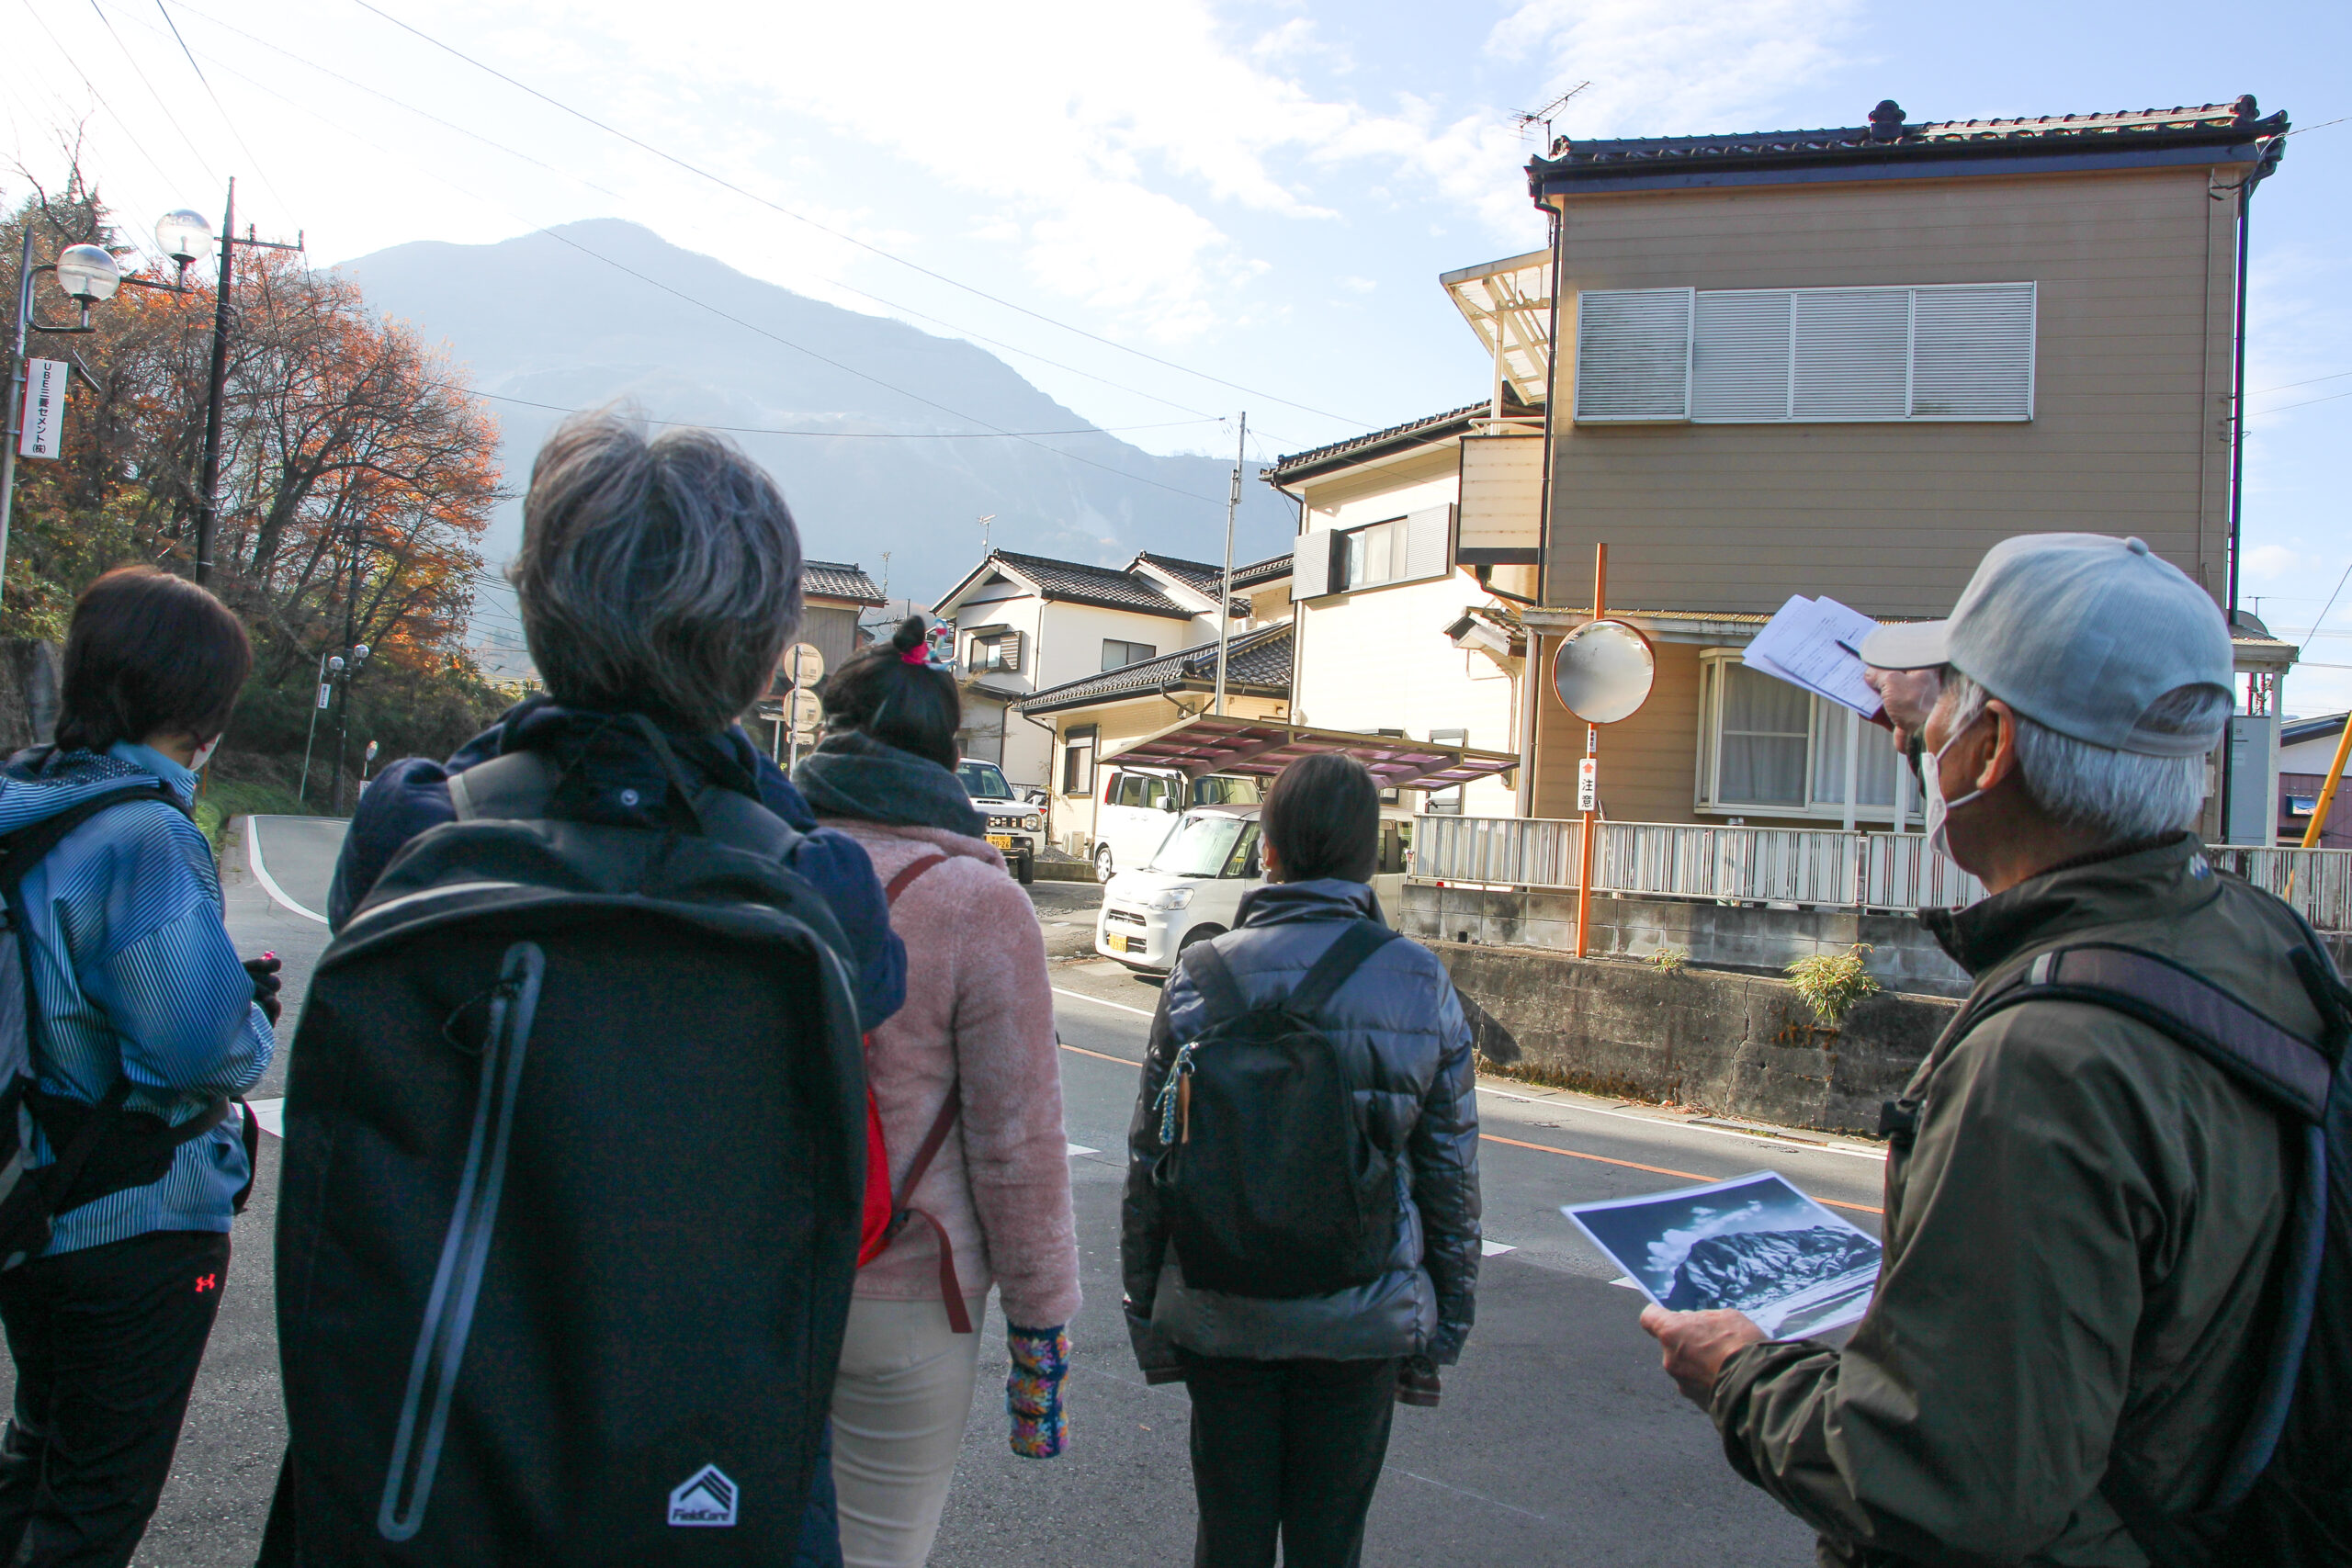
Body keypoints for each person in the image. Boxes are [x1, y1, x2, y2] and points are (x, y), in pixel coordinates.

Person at [1640, 534, 2329, 1564]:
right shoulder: (2255, 940)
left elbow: (1938, 1483)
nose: (1923, 736)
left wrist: (1740, 1374)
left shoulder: (2048, 1061)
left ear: (1994, 744)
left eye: (1951, 704)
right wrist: (1942, 731)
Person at [311, 412, 905, 1567]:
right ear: (762, 642)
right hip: (709, 1476)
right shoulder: (818, 884)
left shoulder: (418, 822)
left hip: (424, 1467)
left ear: (541, 606)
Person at [1122, 751, 1479, 1568]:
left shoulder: (1200, 975)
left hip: (1222, 1311)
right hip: (1361, 1316)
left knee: (1230, 1541)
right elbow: (1450, 1178)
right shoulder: (1418, 983)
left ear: (1269, 850)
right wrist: (1439, 1330)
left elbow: (1151, 1167)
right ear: (1368, 856)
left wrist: (1150, 1313)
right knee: (1330, 1544)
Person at [0, 566, 275, 1567]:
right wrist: (252, 1022)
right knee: (94, 1503)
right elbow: (200, 1046)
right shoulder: (147, 835)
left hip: (28, 1192)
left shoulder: (31, 800)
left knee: (38, 1461)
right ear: (200, 706)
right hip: (132, 1217)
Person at [793, 615, 1080, 1568]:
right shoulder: (978, 902)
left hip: (753, 1272)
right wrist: (1039, 1328)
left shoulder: (764, 856)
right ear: (948, 756)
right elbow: (1018, 1141)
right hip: (905, 1293)